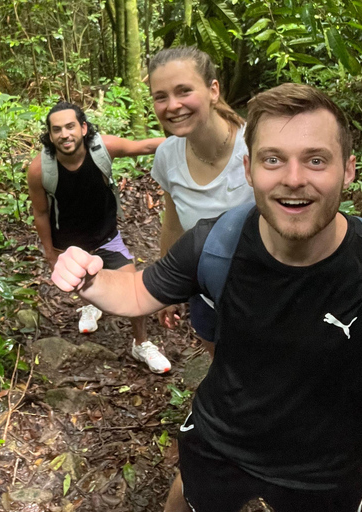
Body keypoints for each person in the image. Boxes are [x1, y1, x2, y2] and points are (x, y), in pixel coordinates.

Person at [49, 83, 362, 512]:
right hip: (219, 442)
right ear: (248, 170)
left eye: (316, 160)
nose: (293, 178)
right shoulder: (218, 242)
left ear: (348, 170)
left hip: (325, 471)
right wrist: (89, 279)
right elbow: (137, 290)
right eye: (273, 159)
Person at [27, 101, 170, 373]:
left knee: (134, 290)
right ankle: (91, 306)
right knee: (85, 285)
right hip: (69, 245)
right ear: (50, 134)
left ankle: (141, 343)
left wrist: (191, 138)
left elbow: (145, 146)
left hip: (106, 238)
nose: (64, 134)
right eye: (56, 129)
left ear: (82, 128)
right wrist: (50, 254)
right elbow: (41, 213)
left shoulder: (103, 148)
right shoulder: (39, 169)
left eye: (70, 126)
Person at [148, 47, 254, 348]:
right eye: (161, 96)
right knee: (222, 371)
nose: (173, 105)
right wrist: (166, 289)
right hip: (206, 294)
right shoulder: (168, 155)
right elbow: (173, 227)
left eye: (184, 91)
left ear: (213, 90)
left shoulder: (256, 147)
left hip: (266, 295)